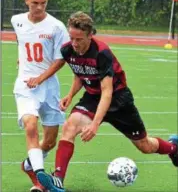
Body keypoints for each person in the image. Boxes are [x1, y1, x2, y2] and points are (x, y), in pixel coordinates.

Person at [36, 11, 178, 192]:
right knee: (70, 126)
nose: (74, 43)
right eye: (71, 38)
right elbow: (80, 73)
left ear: (90, 35)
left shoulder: (102, 52)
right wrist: (70, 95)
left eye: (79, 39)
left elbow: (107, 92)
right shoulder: (68, 50)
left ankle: (174, 148)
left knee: (145, 146)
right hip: (92, 98)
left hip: (119, 101)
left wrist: (95, 124)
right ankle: (58, 180)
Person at [11, 0, 69, 192]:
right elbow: (22, 42)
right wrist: (24, 61)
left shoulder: (56, 26)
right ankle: (40, 176)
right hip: (26, 85)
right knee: (30, 125)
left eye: (43, 3)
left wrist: (41, 78)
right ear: (27, 0)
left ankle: (29, 165)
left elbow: (60, 60)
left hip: (49, 87)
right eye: (35, 2)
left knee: (51, 141)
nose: (39, 7)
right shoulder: (16, 20)